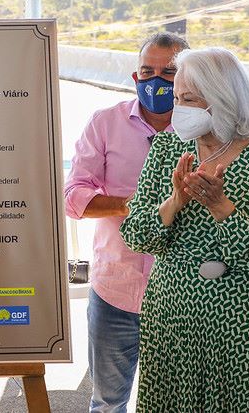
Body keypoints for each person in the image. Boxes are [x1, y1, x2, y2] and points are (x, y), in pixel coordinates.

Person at [120, 47, 249, 412]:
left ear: (222, 99)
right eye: (177, 98)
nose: (177, 108)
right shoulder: (166, 149)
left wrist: (221, 207)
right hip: (171, 314)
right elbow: (135, 234)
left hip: (236, 321)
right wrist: (174, 203)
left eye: (189, 100)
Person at [64, 32, 188, 412]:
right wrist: (133, 206)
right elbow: (73, 198)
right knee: (107, 402)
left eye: (169, 72)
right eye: (147, 72)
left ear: (189, 77)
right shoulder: (105, 124)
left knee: (177, 402)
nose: (157, 81)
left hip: (182, 295)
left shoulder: (206, 131)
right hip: (116, 289)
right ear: (135, 77)